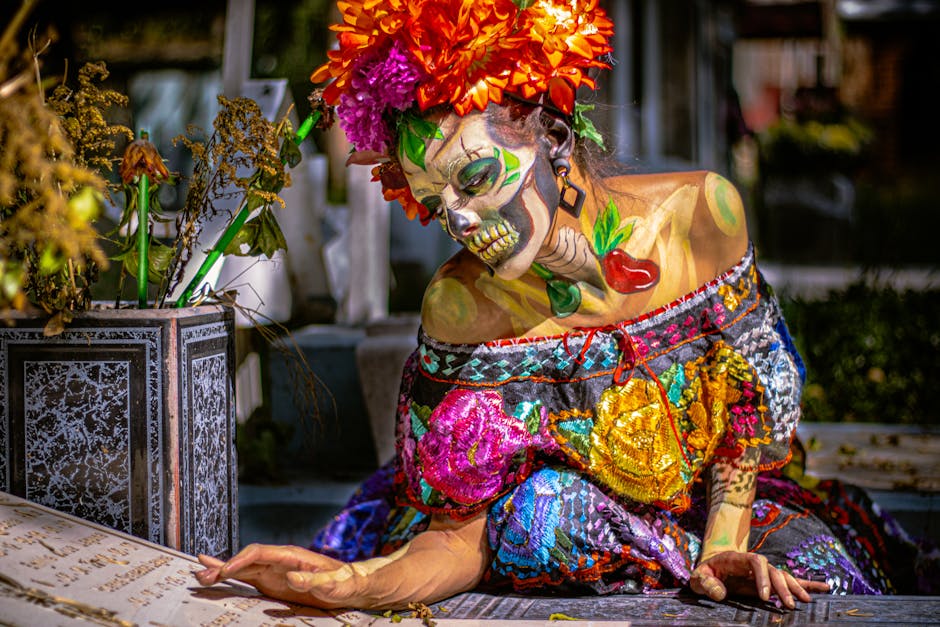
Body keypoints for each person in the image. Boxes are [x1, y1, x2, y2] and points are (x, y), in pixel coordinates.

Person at [195, 0, 932, 610]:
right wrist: (360, 582)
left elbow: (749, 411)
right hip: (568, 538)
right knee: (546, 513)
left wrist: (725, 548)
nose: (455, 217)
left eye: (474, 177)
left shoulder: (702, 214)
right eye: (432, 199)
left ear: (551, 133)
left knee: (811, 575)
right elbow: (460, 536)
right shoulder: (460, 306)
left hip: (721, 512)